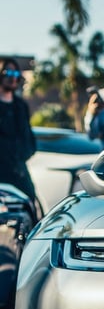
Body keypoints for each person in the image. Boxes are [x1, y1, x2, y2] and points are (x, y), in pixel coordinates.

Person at [0, 57, 37, 202]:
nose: (12, 78)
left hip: (19, 172)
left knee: (30, 206)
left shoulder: (21, 106)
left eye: (16, 74)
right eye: (8, 72)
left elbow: (28, 137)